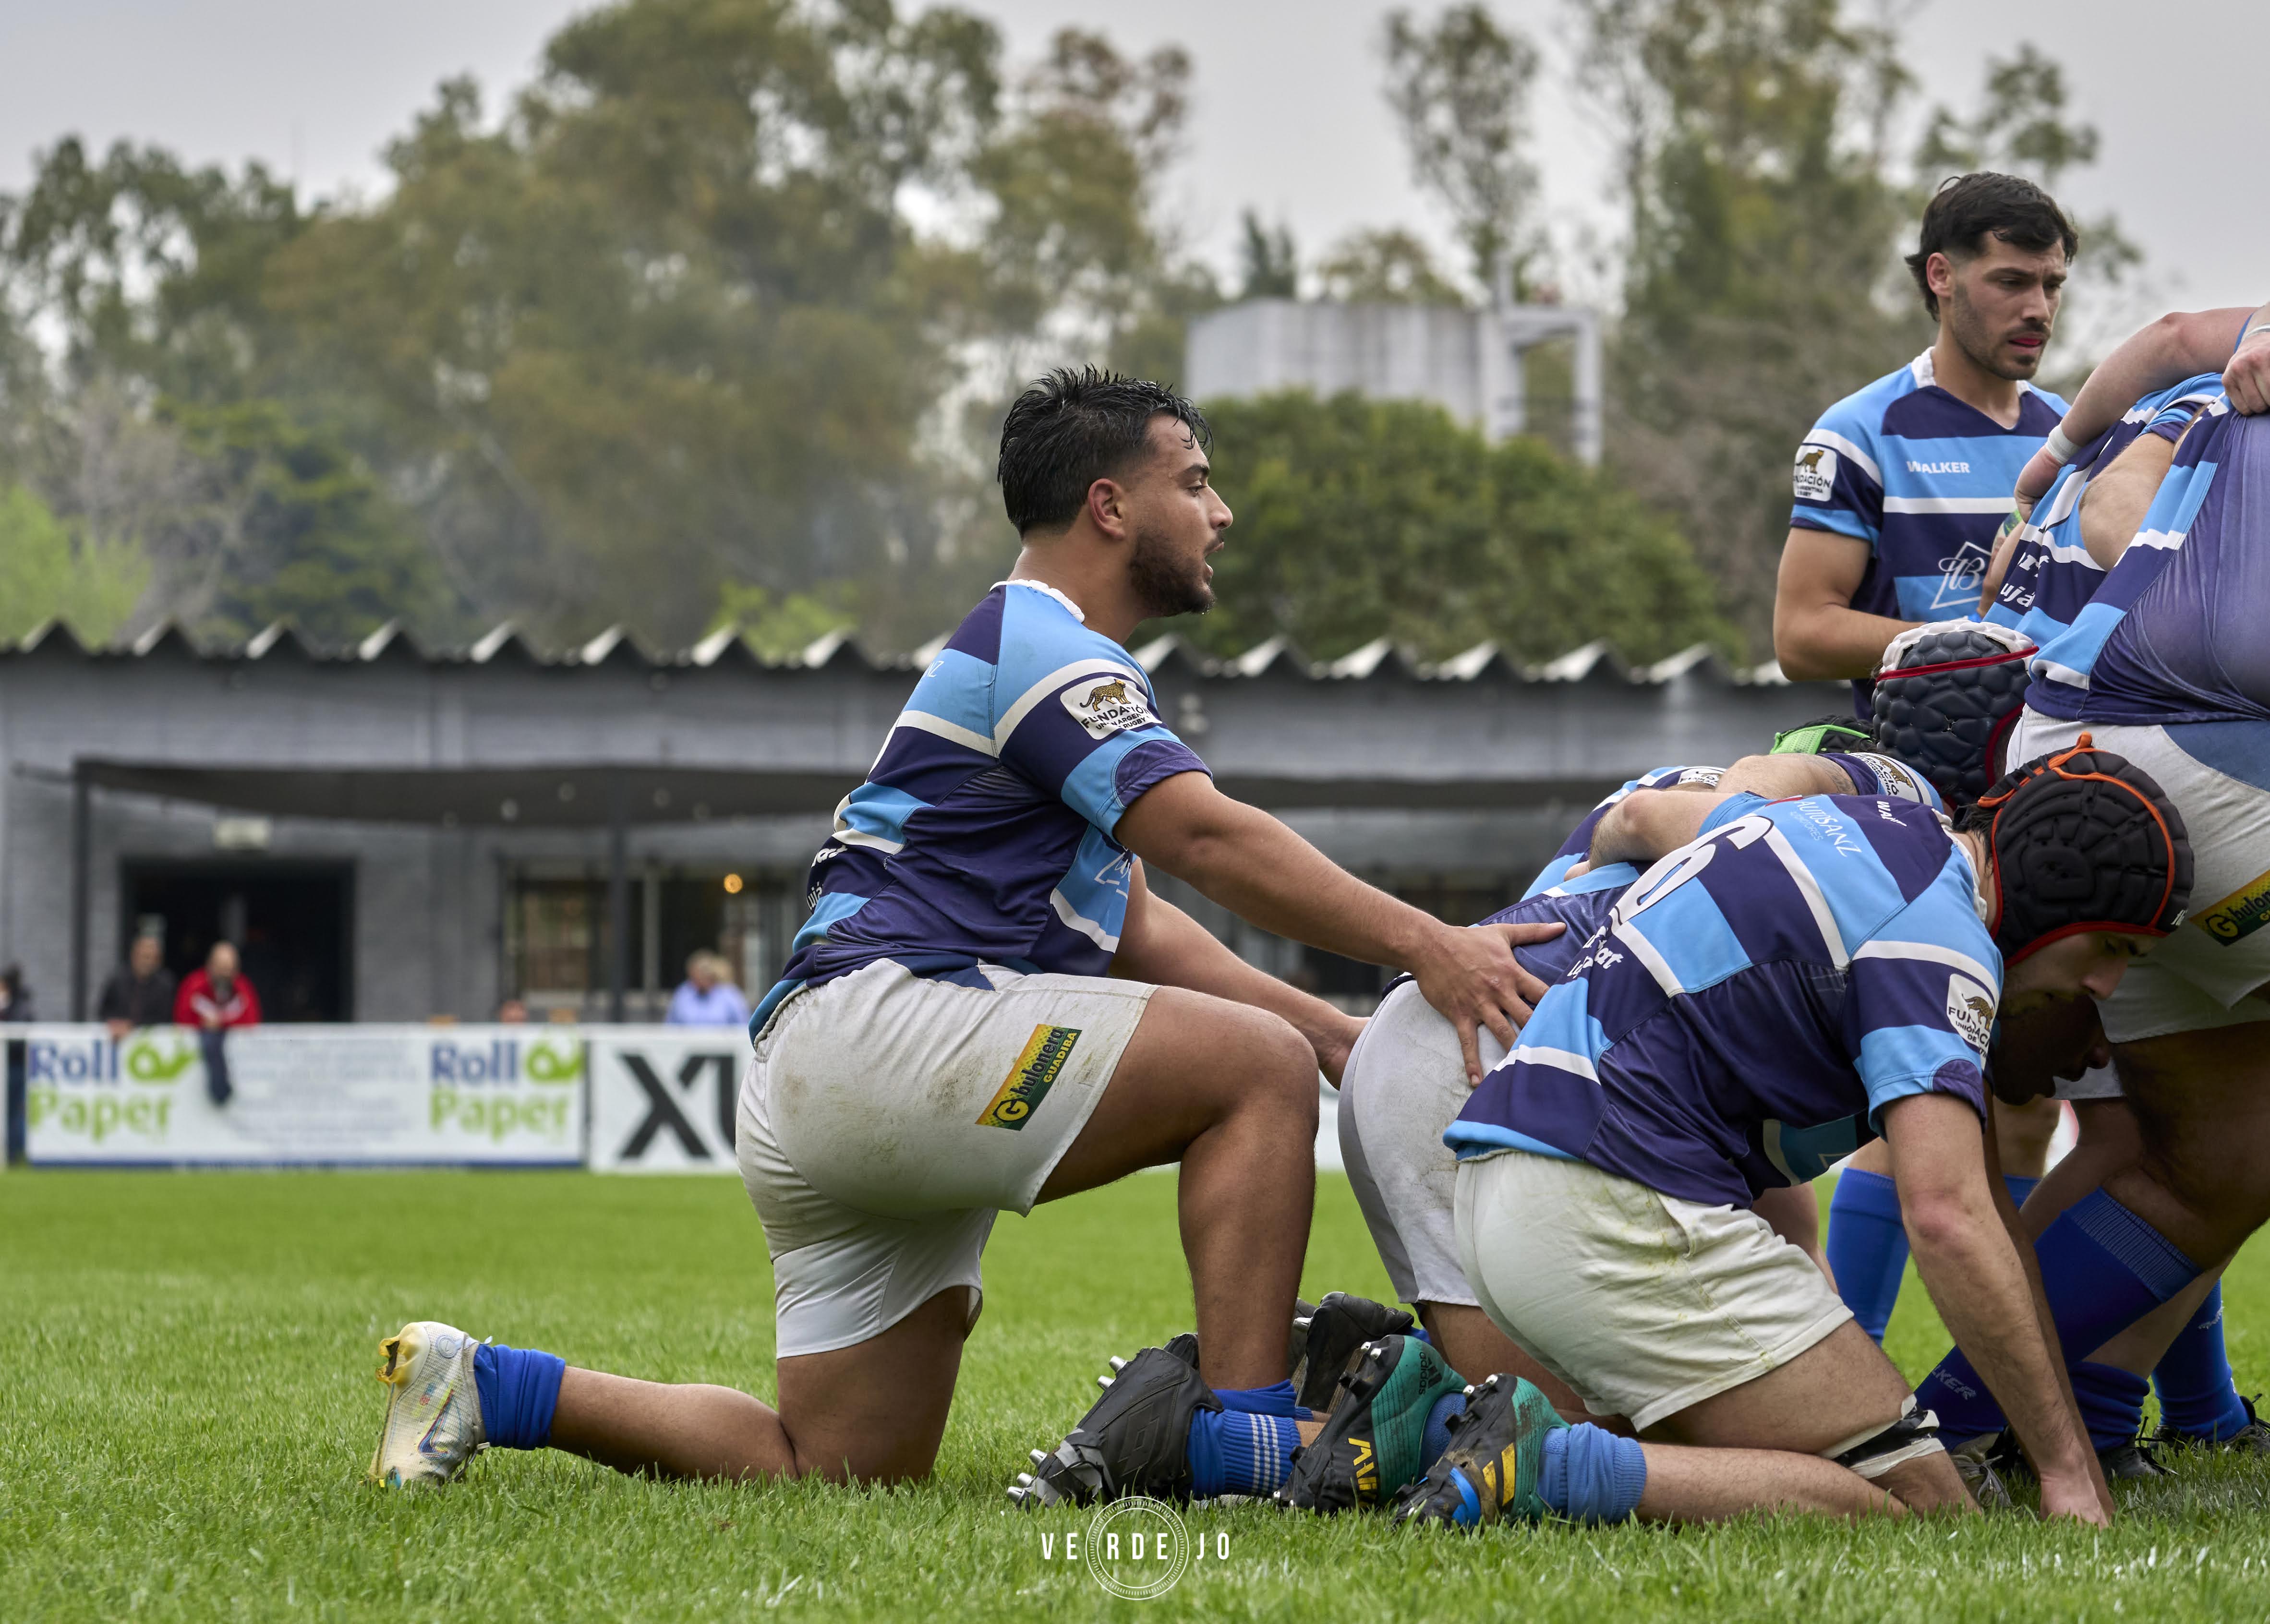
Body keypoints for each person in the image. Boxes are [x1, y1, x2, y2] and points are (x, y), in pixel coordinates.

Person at [366, 368, 1565, 1492]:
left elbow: (1140, 926)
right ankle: (1247, 1445)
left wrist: (1332, 1031)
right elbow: (1198, 836)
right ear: (1108, 504)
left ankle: (482, 1384)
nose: (1223, 511)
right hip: (881, 1032)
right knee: (1250, 1071)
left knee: (835, 1463)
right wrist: (1430, 945)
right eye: (1194, 481)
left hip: (823, 1072)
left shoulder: (1017, 656)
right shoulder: (1044, 644)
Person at [1912, 324, 2270, 1473]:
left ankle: (1949, 1424)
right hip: (2212, 767)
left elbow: (2167, 339)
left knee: (2215, 1155)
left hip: (2063, 731)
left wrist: (2046, 455)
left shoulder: (2211, 379)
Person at [1772, 170, 2082, 1323]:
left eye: (2051, 283)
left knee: (2085, 1102)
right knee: (1926, 1092)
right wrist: (1968, 646)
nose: (2036, 307)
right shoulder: (1860, 433)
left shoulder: (2076, 437)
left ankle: (2190, 1405)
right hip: (1928, 813)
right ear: (1938, 276)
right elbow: (1801, 629)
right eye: (2010, 280)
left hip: (2067, 803)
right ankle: (1855, 1372)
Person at [175, 942, 259, 1106]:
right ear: (210, 966)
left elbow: (252, 1020)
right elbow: (181, 1018)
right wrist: (203, 1023)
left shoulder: (242, 987)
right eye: (221, 967)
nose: (225, 973)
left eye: (229, 968)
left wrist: (222, 1023)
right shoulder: (195, 984)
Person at [97, 934, 176, 1039]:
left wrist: (133, 1026)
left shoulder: (165, 985)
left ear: (158, 960)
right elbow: (103, 1011)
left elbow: (166, 1017)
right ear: (134, 956)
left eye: (151, 958)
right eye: (144, 956)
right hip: (118, 1041)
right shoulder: (118, 980)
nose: (146, 962)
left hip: (152, 1044)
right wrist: (115, 1024)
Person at [665, 950, 749, 1027]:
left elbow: (743, 1025)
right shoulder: (683, 994)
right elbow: (670, 1026)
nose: (702, 976)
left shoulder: (730, 994)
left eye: (705, 972)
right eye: (699, 972)